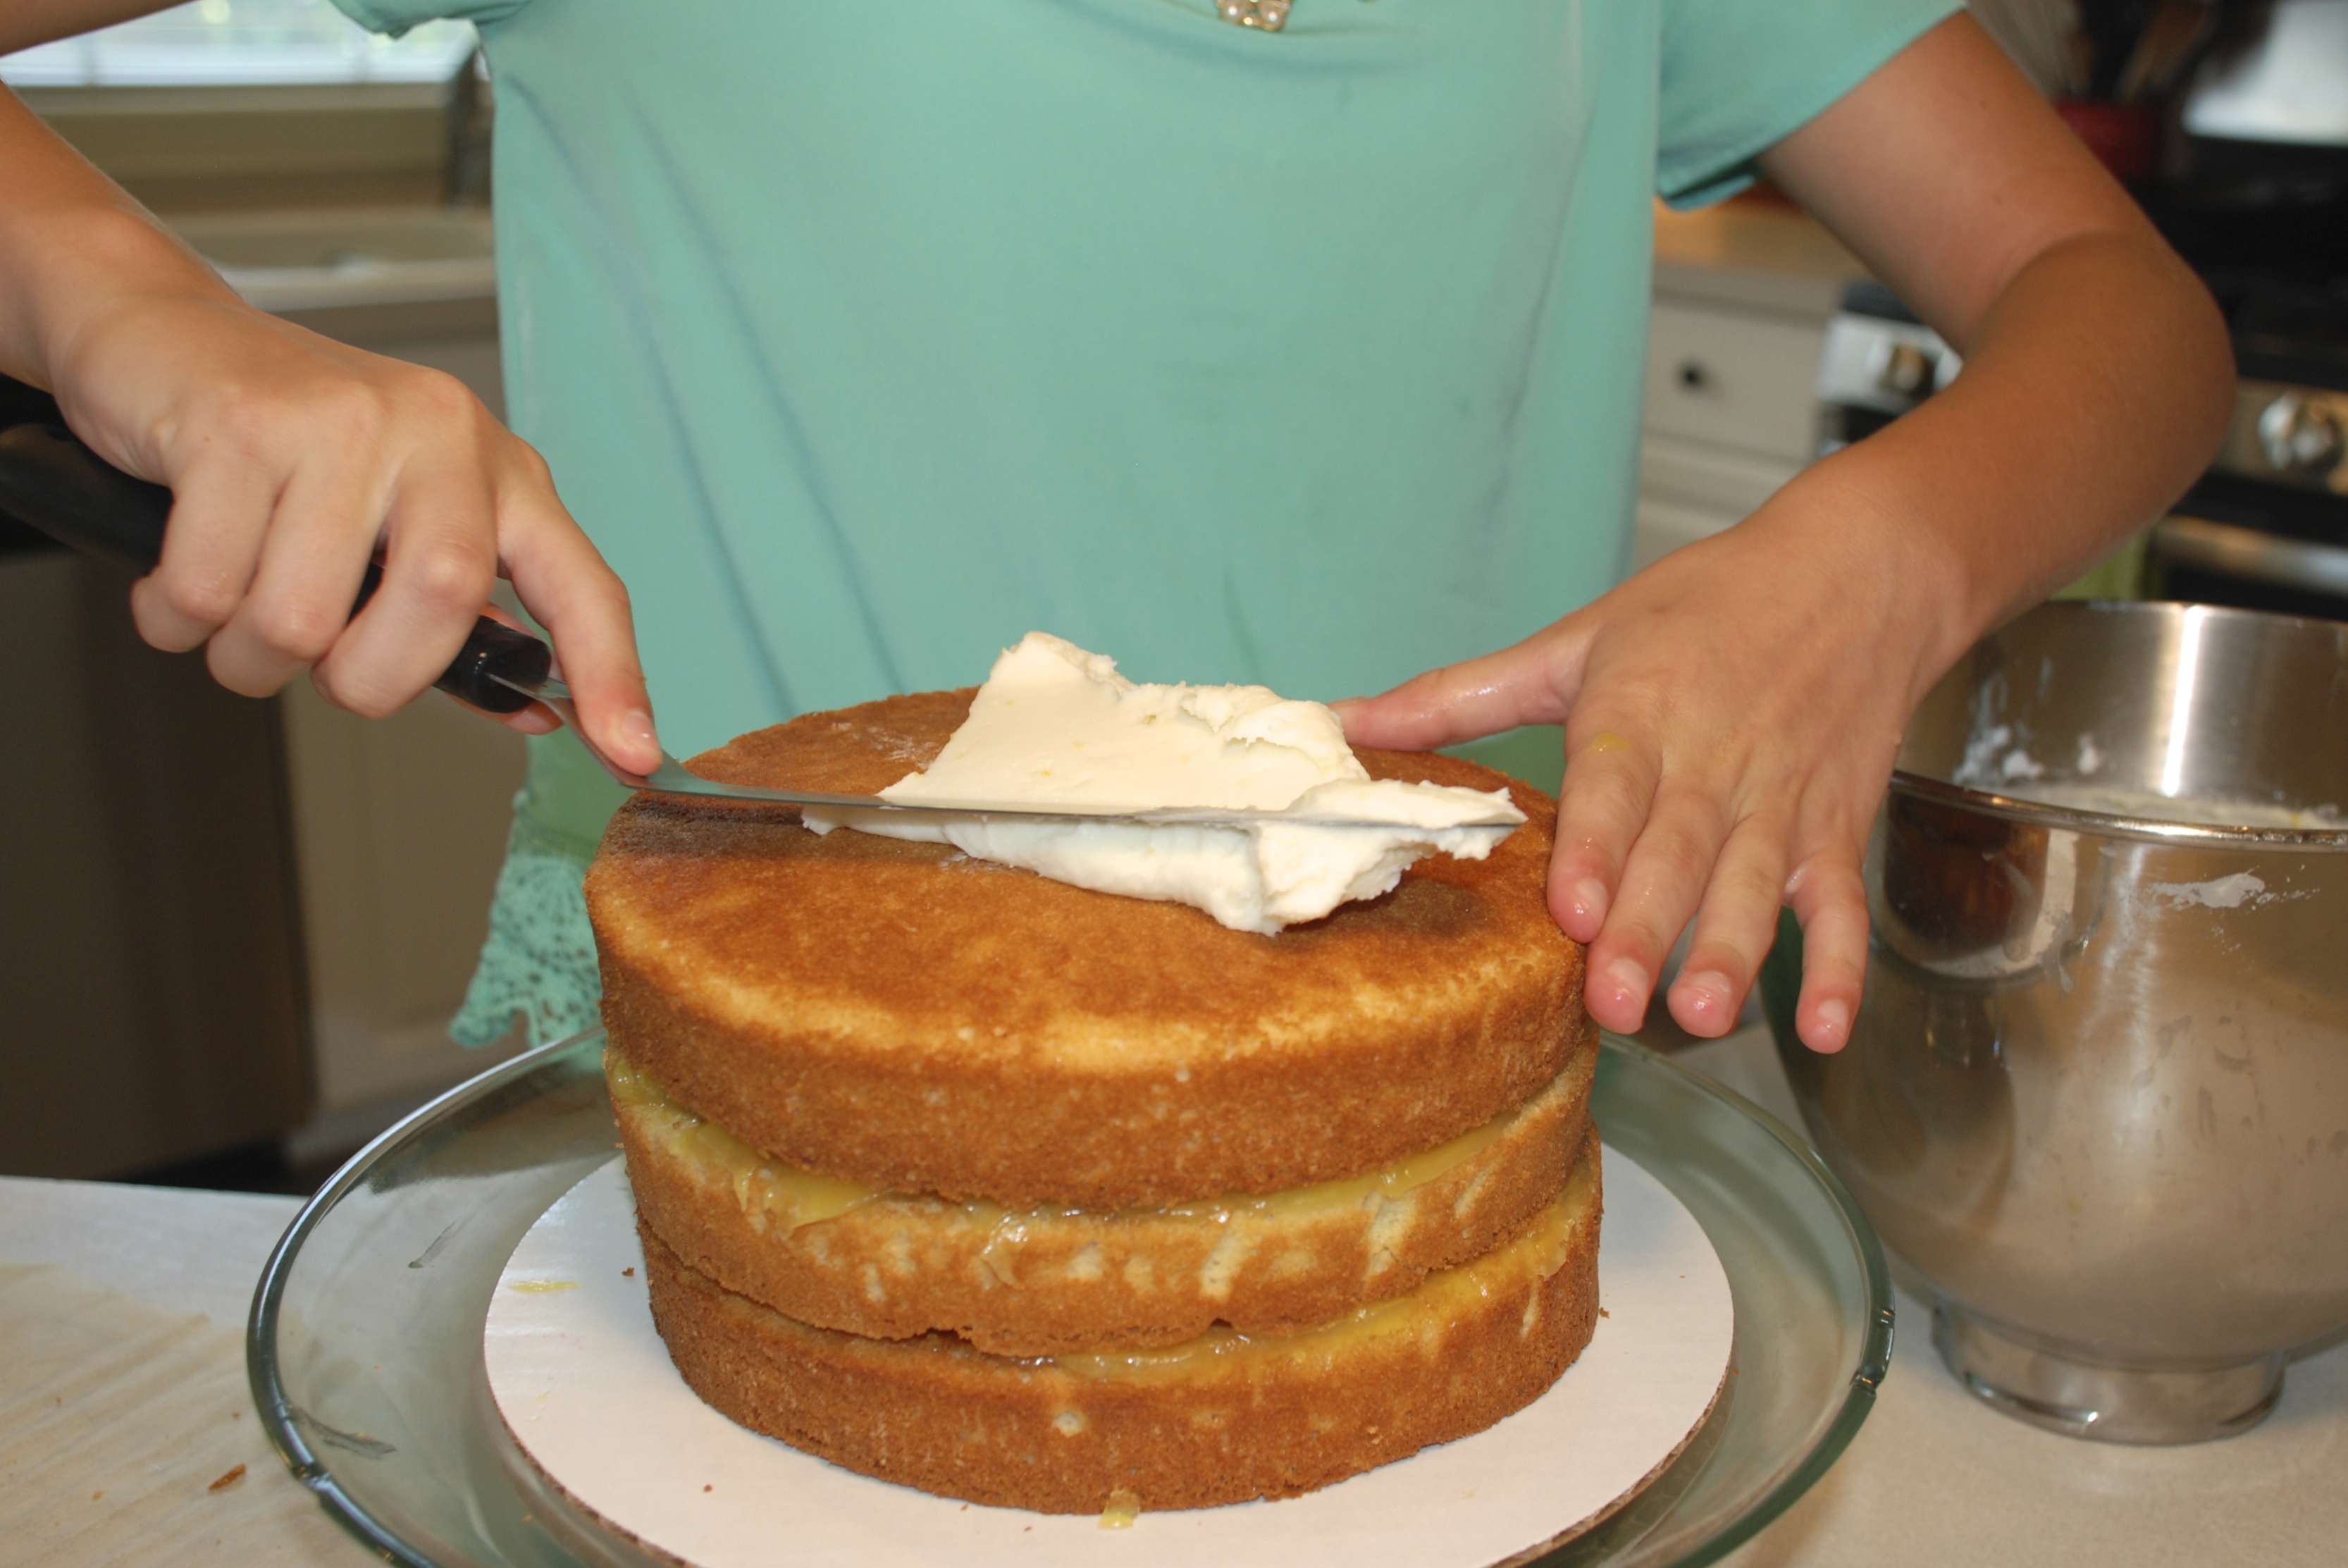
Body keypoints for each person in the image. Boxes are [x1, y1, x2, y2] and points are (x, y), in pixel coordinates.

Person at [0, 2, 2230, 1057]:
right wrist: (144, 314)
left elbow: (2122, 310)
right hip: (763, 1088)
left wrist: (1874, 558)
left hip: (1453, 1051)